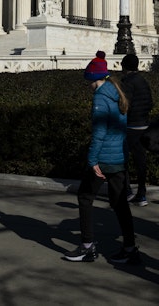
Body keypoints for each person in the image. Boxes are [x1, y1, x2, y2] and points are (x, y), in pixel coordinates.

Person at [63, 51, 140, 265]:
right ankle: (130, 246)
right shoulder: (117, 93)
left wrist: (92, 160)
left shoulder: (100, 98)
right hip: (118, 158)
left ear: (92, 79)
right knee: (119, 203)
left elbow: (99, 132)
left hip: (104, 158)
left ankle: (87, 246)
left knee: (85, 197)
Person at [120, 53, 153, 207]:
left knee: (123, 160)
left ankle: (127, 191)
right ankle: (142, 193)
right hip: (144, 125)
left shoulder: (127, 82)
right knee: (141, 162)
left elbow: (126, 104)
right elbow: (150, 102)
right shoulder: (143, 81)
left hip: (131, 126)